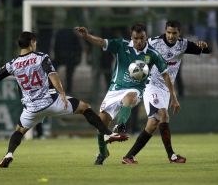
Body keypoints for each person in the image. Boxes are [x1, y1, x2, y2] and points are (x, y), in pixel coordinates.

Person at [0, 31, 128, 168]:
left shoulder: (12, 64)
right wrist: (61, 92)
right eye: (35, 42)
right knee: (84, 107)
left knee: (19, 131)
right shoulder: (41, 57)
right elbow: (52, 75)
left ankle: (9, 154)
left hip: (31, 109)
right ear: (32, 42)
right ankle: (107, 133)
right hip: (51, 102)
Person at [75, 23, 180, 165]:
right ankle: (102, 152)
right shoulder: (121, 45)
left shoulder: (153, 53)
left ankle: (121, 125)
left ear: (146, 37)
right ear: (132, 37)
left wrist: (173, 98)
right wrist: (87, 36)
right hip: (115, 89)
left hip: (135, 89)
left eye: (142, 38)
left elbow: (166, 75)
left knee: (129, 98)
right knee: (101, 123)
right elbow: (101, 42)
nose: (139, 41)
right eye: (136, 38)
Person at [121, 20, 211, 164]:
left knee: (152, 125)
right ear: (165, 31)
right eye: (168, 32)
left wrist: (204, 45)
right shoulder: (154, 42)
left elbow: (206, 50)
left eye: (174, 33)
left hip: (166, 88)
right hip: (151, 85)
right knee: (163, 115)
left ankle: (128, 156)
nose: (171, 36)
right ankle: (172, 156)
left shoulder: (183, 44)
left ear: (179, 33)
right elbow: (134, 47)